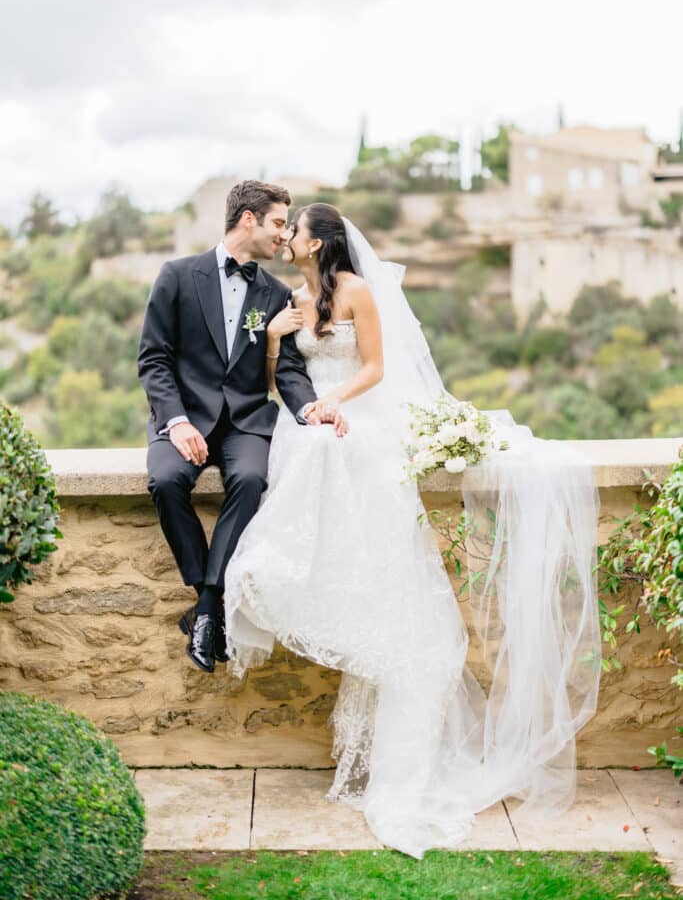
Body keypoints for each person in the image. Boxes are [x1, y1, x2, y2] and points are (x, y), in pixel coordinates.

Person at [223, 202, 602, 859]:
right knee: (312, 461)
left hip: (354, 416)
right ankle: (278, 579)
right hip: (309, 420)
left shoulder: (359, 291)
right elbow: (270, 379)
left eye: (296, 231)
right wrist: (278, 340)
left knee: (372, 532)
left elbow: (373, 368)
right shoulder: (288, 297)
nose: (287, 239)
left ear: (321, 240)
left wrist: (332, 404)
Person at [137, 180, 347, 675]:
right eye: (278, 223)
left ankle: (207, 608)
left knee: (251, 480)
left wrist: (308, 409)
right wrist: (178, 420)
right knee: (166, 482)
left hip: (247, 423)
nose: (283, 235)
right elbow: (154, 359)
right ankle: (206, 595)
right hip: (184, 417)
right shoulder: (176, 275)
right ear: (248, 220)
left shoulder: (277, 294)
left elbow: (289, 370)